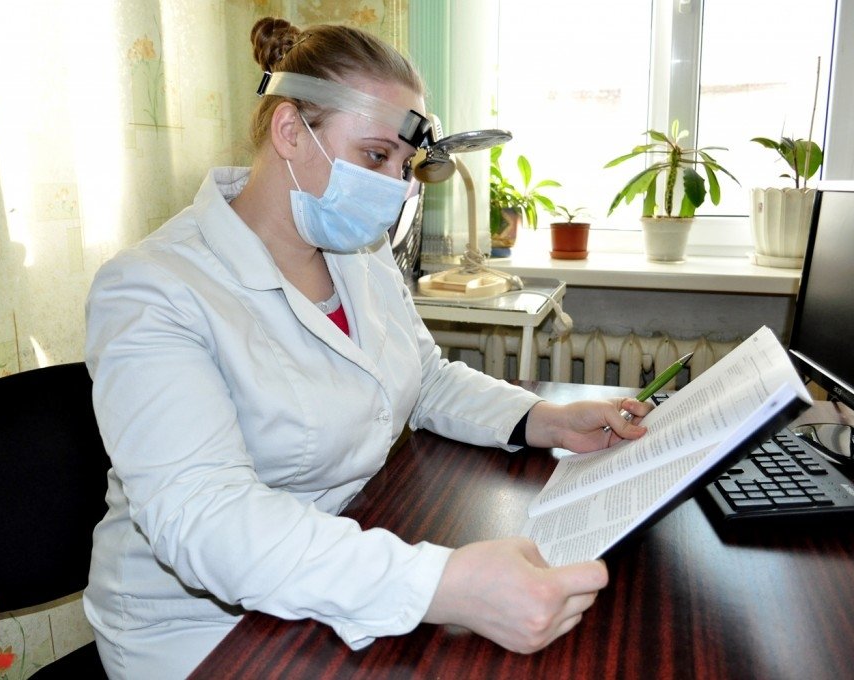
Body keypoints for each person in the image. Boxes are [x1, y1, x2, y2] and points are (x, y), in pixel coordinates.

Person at [83, 16, 652, 679]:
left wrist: (542, 419)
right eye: (377, 156)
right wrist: (444, 586)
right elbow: (207, 520)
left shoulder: (358, 248)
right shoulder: (153, 289)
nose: (398, 186)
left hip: (346, 563)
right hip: (204, 629)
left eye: (405, 165)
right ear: (290, 131)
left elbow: (424, 376)